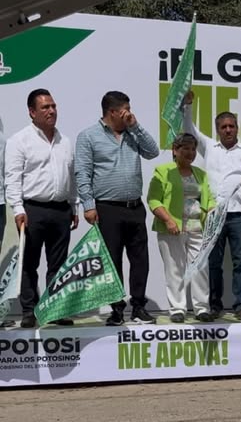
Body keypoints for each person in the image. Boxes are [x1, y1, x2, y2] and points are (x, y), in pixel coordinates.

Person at [75, 90, 159, 326]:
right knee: (112, 260)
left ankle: (139, 306)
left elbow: (153, 152)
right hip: (107, 208)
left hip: (135, 206)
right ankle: (116, 309)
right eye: (125, 110)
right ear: (112, 112)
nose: (129, 114)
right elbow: (83, 173)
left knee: (140, 259)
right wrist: (88, 205)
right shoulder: (88, 136)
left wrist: (136, 126)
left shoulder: (133, 134)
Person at [4, 88, 78, 328]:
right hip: (31, 209)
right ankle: (29, 311)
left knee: (58, 265)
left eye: (53, 106)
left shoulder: (64, 140)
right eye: (45, 107)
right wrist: (17, 209)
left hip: (60, 210)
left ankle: (55, 310)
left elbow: (71, 176)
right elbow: (12, 178)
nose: (51, 111)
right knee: (29, 264)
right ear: (32, 112)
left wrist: (73, 205)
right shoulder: (19, 140)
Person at [182, 92, 241, 320]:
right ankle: (214, 304)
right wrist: (187, 106)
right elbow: (189, 129)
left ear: (237, 128)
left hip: (239, 214)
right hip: (213, 215)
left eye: (231, 126)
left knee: (240, 262)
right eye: (223, 126)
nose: (228, 130)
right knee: (213, 263)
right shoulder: (209, 147)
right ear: (217, 129)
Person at [147, 133, 216, 323]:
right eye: (185, 148)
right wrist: (169, 220)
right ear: (175, 151)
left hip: (197, 228)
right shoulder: (163, 171)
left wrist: (212, 210)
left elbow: (209, 198)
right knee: (175, 269)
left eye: (193, 149)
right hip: (171, 228)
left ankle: (202, 308)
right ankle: (177, 308)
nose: (191, 152)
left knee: (200, 268)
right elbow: (153, 200)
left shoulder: (200, 174)